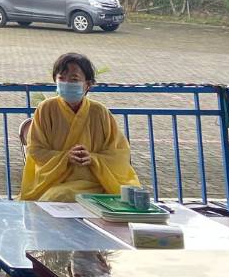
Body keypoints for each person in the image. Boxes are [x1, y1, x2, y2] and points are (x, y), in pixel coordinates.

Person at [21, 52, 140, 201]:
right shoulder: (46, 109)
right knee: (59, 196)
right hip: (55, 182)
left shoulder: (99, 112)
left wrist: (93, 159)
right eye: (61, 78)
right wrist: (65, 157)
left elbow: (119, 154)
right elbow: (35, 150)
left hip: (97, 182)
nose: (67, 83)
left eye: (74, 79)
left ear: (88, 84)